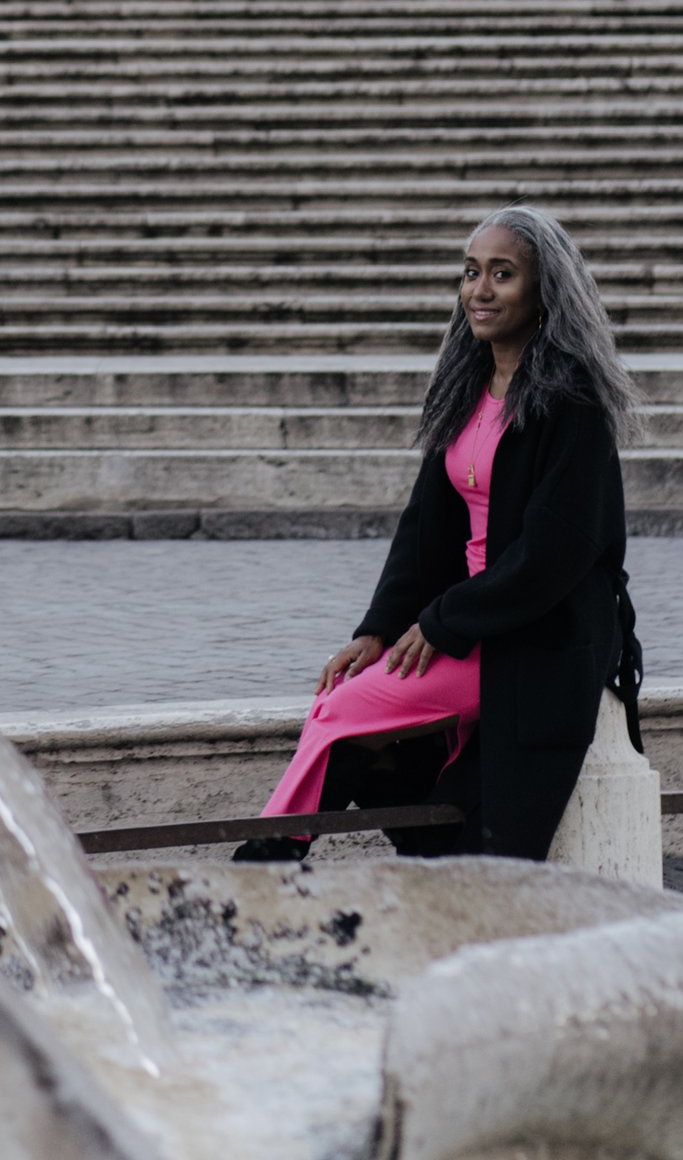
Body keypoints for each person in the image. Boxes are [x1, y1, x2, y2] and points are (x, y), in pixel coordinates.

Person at [239, 206, 642, 865]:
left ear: (545, 292)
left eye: (503, 275)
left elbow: (555, 553)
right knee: (344, 704)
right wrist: (377, 628)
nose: (480, 291)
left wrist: (444, 622)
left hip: (535, 634)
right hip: (471, 624)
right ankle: (399, 853)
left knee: (347, 715)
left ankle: (263, 865)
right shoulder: (469, 390)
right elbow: (423, 529)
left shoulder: (571, 403)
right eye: (471, 272)